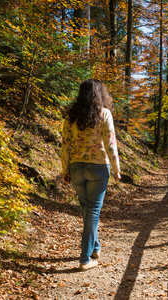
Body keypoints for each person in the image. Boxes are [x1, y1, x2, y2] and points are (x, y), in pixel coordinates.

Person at [61, 79, 121, 271]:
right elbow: (110, 143)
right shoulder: (104, 114)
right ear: (100, 95)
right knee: (93, 211)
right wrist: (117, 168)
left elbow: (65, 144)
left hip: (77, 168)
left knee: (88, 210)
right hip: (98, 169)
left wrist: (65, 169)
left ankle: (95, 248)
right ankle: (85, 259)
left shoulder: (72, 116)